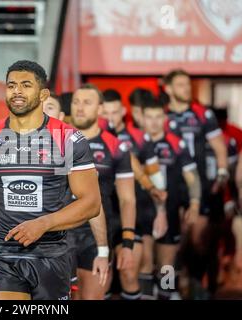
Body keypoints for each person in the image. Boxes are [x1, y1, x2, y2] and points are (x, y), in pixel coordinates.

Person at [0, 60, 102, 300]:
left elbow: (91, 203)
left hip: (51, 256)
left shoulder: (68, 139)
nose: (17, 91)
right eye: (11, 85)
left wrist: (43, 224)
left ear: (43, 94)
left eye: (26, 85)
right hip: (3, 255)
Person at [70, 84, 139, 300]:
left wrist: (127, 243)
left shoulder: (116, 147)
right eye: (76, 102)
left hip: (96, 235)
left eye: (87, 103)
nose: (80, 108)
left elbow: (128, 199)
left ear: (100, 109)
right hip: (59, 234)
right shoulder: (55, 142)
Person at [163, 69, 228, 297]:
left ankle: (196, 284)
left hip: (198, 185)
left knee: (198, 241)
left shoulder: (203, 114)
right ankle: (170, 288)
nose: (186, 89)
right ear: (168, 89)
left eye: (187, 85)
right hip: (170, 186)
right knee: (171, 245)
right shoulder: (161, 115)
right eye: (180, 85)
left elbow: (219, 146)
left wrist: (220, 175)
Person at [101, 89, 167, 299]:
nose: (110, 117)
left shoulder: (138, 138)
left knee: (139, 266)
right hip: (100, 215)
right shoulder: (90, 137)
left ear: (122, 111)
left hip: (136, 211)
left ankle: (169, 291)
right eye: (106, 112)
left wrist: (161, 209)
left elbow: (154, 174)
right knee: (103, 277)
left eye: (114, 112)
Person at [142, 99, 201, 299]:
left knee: (166, 263)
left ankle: (166, 292)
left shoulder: (176, 143)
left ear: (164, 118)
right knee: (145, 263)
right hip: (141, 211)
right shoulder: (134, 142)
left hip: (170, 209)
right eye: (149, 117)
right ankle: (149, 294)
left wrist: (194, 204)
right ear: (142, 118)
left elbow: (192, 177)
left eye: (158, 116)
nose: (154, 122)